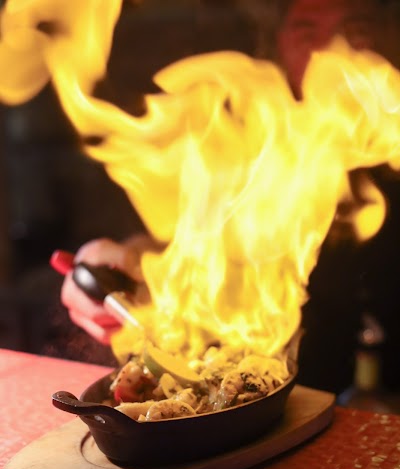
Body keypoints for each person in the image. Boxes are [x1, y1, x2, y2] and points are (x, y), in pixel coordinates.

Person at [59, 0, 390, 389]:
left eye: (354, 30)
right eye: (307, 31)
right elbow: (171, 246)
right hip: (272, 396)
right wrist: (118, 266)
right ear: (279, 42)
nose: (330, 50)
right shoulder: (228, 136)